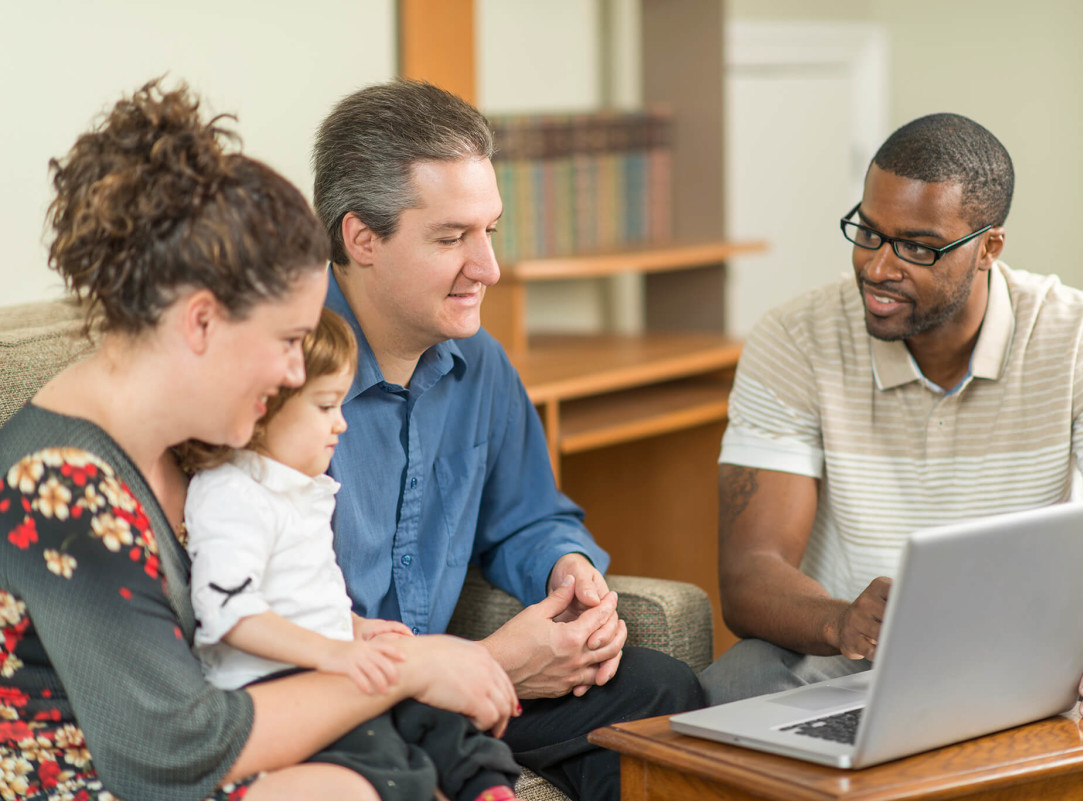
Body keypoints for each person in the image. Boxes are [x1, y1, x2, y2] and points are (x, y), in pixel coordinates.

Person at [0, 79, 518, 801]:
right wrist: (408, 668)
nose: (293, 371)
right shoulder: (58, 485)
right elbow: (170, 751)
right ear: (202, 322)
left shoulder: (192, 443)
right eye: (287, 340)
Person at [700, 112, 1083, 800]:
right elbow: (749, 572)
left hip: (1050, 656)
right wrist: (840, 619)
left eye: (917, 247)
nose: (878, 266)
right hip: (856, 659)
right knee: (735, 681)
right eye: (869, 231)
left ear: (988, 246)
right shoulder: (794, 339)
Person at [311, 79, 705, 801]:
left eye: (489, 230)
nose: (488, 268)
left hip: (435, 691)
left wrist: (565, 567)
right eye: (451, 237)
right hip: (335, 703)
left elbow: (528, 514)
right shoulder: (288, 375)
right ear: (361, 238)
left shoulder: (479, 363)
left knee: (662, 694)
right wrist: (492, 663)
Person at [183, 307, 523, 801]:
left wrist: (355, 628)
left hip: (328, 665)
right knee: (383, 748)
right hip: (276, 687)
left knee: (435, 710)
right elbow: (229, 613)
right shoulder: (230, 493)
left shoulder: (300, 489)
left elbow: (305, 595)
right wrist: (333, 651)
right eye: (325, 406)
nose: (341, 424)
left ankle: (487, 785)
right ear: (262, 405)